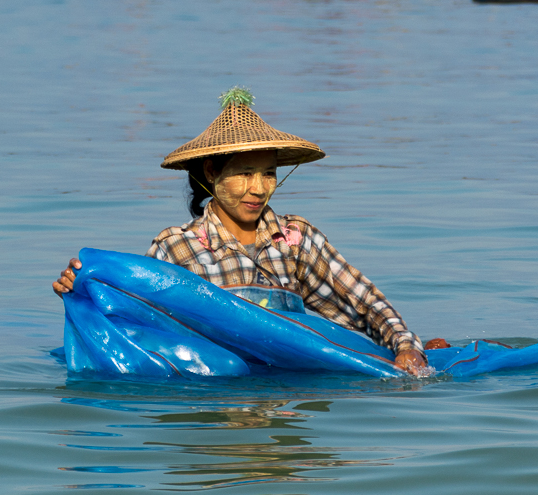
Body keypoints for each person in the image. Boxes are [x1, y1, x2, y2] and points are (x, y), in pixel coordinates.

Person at [54, 88, 434, 374]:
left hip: (292, 391)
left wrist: (405, 348)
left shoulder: (295, 239)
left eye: (268, 173)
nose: (259, 188)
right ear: (211, 174)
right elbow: (143, 320)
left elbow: (364, 301)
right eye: (244, 174)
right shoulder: (177, 247)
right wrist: (81, 289)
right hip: (222, 391)